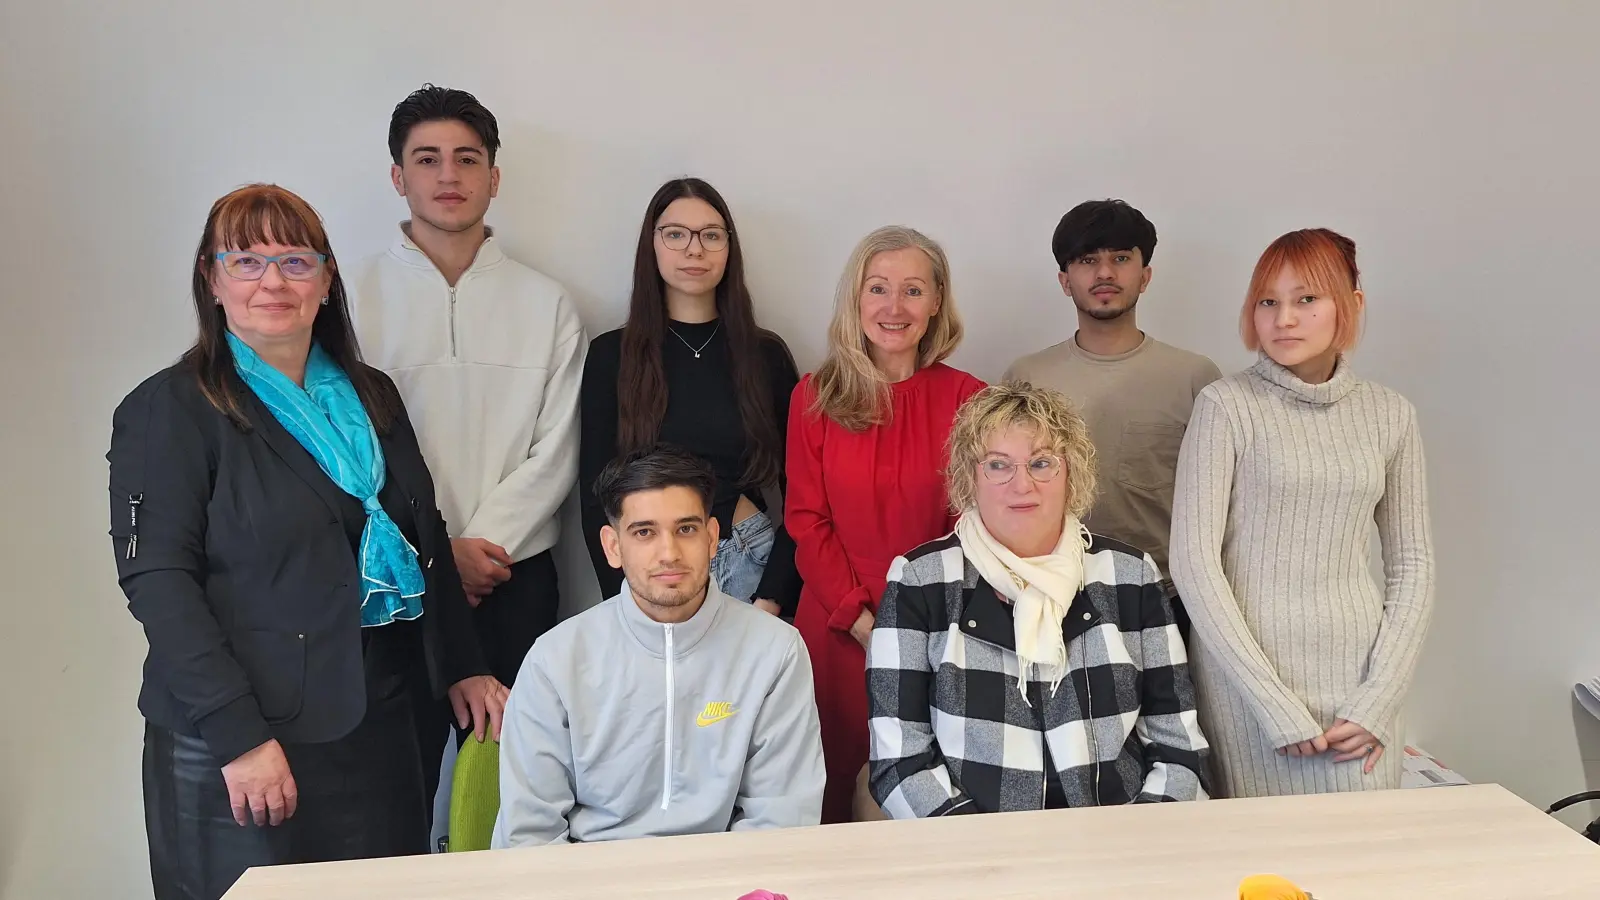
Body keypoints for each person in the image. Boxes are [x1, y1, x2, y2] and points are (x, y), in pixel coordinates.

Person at [108, 184, 506, 900]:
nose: (272, 282)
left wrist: (463, 666)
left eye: (295, 261)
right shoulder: (170, 409)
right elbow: (159, 583)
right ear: (212, 278)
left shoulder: (373, 395)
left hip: (383, 727)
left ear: (325, 280)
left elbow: (426, 533)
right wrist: (241, 738)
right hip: (245, 739)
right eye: (247, 261)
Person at [1170, 228, 1435, 798]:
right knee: (1259, 872)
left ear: (1350, 304)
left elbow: (1412, 566)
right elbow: (1193, 563)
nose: (1283, 318)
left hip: (1360, 688)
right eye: (1268, 301)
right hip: (1248, 690)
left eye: (1305, 299)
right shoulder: (1225, 406)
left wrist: (1378, 700)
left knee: (1362, 872)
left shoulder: (1391, 415)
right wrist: (1271, 703)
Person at [867, 383, 1208, 816]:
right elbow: (900, 760)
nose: (1021, 484)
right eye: (998, 465)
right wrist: (988, 864)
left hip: (1120, 844)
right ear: (969, 477)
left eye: (1041, 463)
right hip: (972, 855)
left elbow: (1177, 746)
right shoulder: (920, 581)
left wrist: (1130, 851)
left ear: (1072, 473)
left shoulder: (1131, 575)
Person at [351, 84, 585, 694]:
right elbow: (344, 448)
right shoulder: (349, 300)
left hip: (513, 574)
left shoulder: (547, 303)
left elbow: (557, 449)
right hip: (393, 571)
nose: (448, 175)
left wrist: (484, 548)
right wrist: (435, 550)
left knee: (515, 774)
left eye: (467, 158)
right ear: (399, 177)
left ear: (494, 177)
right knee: (402, 771)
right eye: (427, 159)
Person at [492, 446, 825, 846]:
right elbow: (530, 836)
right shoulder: (555, 660)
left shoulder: (776, 651)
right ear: (613, 547)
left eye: (686, 529)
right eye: (644, 532)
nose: (669, 553)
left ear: (713, 537)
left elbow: (782, 822)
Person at [787, 225, 985, 823]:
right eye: (878, 288)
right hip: (835, 628)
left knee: (926, 792)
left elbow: (972, 526)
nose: (894, 307)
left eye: (913, 291)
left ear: (936, 303)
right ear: (856, 299)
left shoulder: (970, 398)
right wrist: (861, 620)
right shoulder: (814, 397)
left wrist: (915, 629)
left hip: (938, 629)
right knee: (827, 786)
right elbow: (806, 521)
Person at [579, 178, 800, 615]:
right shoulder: (611, 356)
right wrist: (621, 600)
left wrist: (771, 598)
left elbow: (805, 496)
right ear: (652, 245)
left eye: (711, 235)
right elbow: (594, 494)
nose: (694, 249)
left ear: (728, 249)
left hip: (748, 566)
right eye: (676, 234)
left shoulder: (765, 355)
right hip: (647, 570)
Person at [1005, 199, 1220, 639]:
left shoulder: (1195, 378)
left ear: (1145, 275)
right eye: (1088, 261)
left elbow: (1219, 509)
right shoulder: (1025, 378)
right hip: (1051, 596)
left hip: (1165, 600)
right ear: (1066, 281)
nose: (1105, 273)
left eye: (1121, 258)